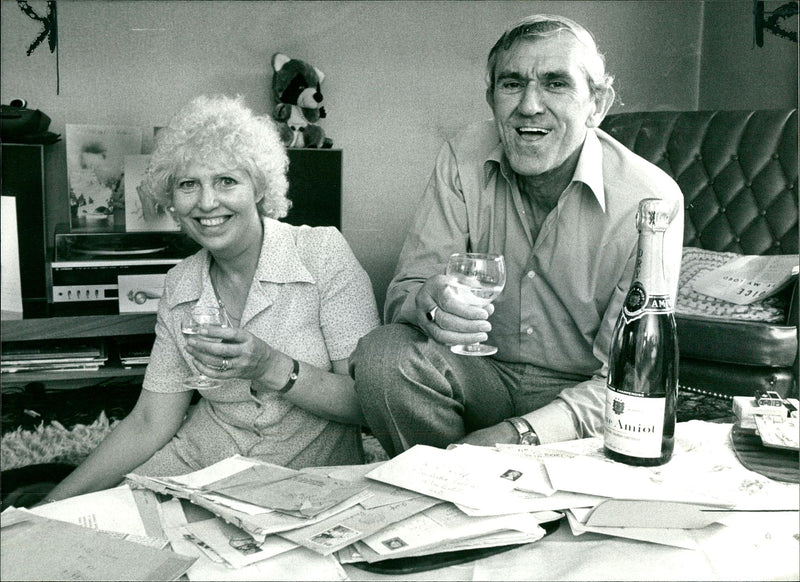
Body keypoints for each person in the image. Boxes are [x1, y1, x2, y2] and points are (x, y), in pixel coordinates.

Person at [351, 14, 684, 457]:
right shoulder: (463, 156)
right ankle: (445, 491)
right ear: (491, 98)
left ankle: (489, 485)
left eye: (555, 83)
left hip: (580, 399)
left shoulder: (649, 200)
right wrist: (427, 306)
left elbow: (626, 378)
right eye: (512, 84)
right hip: (478, 376)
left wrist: (517, 435)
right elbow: (406, 292)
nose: (529, 105)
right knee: (383, 357)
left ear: (597, 103)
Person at [44, 95, 379, 502]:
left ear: (258, 186)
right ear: (172, 200)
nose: (206, 203)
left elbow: (368, 405)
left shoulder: (323, 254)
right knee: (100, 531)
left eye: (226, 181)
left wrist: (271, 366)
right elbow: (151, 420)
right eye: (188, 185)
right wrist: (49, 506)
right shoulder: (180, 283)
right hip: (199, 468)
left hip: (307, 483)